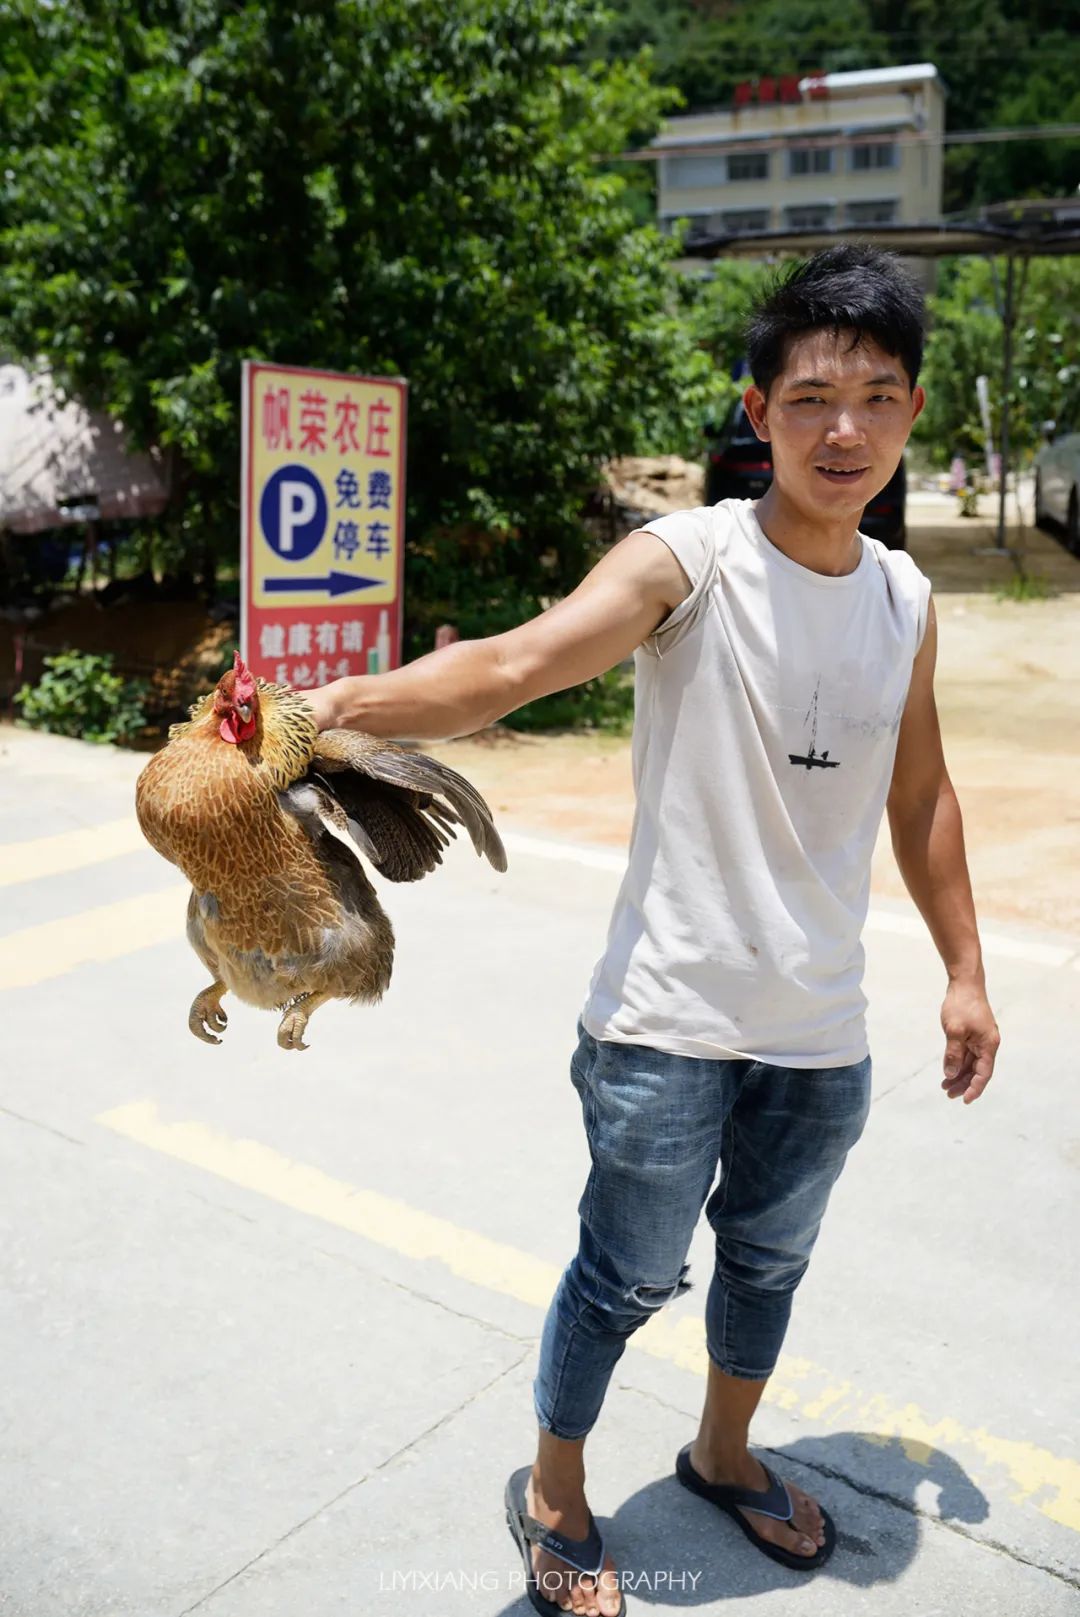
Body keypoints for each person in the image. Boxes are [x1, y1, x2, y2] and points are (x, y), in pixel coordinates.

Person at [306, 245, 1000, 1617]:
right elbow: (514, 665)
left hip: (822, 1028)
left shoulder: (904, 599)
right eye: (811, 399)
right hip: (665, 1022)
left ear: (914, 412)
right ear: (760, 412)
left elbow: (920, 791)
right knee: (625, 1274)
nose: (845, 429)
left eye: (876, 396)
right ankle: (556, 1488)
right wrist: (336, 707)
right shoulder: (691, 558)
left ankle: (721, 1453)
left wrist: (966, 970)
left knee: (770, 1261)